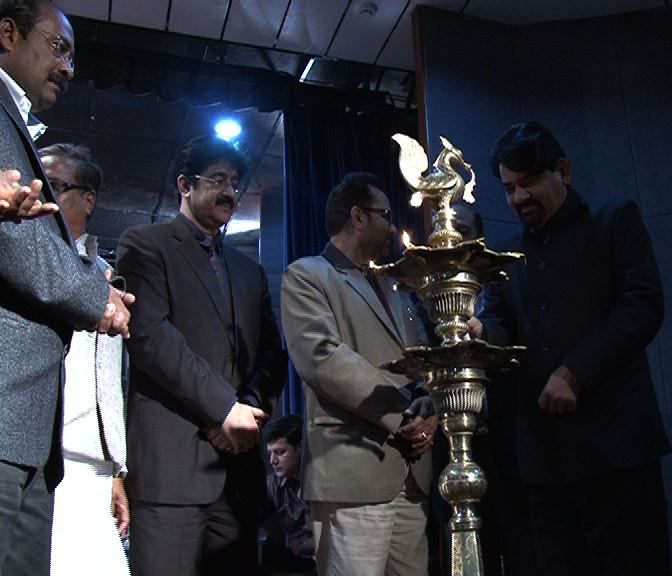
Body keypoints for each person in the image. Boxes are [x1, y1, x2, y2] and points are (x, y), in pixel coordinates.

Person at [470, 121, 671, 575]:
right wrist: (481, 330)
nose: (519, 197)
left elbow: (642, 306)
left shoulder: (614, 220)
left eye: (528, 182)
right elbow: (502, 323)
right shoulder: (506, 253)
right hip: (544, 462)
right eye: (509, 188)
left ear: (563, 170)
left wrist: (574, 372)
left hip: (618, 450)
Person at [0, 2, 133, 574]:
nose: (69, 67)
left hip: (31, 432)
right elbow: (17, 244)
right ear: (8, 34)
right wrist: (95, 297)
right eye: (59, 47)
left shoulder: (14, 119)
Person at [116, 134, 286, 576]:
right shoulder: (145, 244)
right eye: (217, 179)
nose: (229, 191)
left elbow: (273, 352)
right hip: (172, 469)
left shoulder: (249, 271)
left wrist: (247, 411)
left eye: (234, 182)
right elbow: (151, 338)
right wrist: (224, 409)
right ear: (184, 185)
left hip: (238, 472)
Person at [281, 172, 437, 576]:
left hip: (411, 475)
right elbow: (323, 359)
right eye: (386, 216)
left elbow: (421, 356)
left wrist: (429, 403)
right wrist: (405, 411)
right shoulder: (306, 275)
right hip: (352, 474)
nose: (393, 228)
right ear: (358, 216)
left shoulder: (393, 283)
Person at [38, 143, 130, 576]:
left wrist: (116, 470)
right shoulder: (24, 265)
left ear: (88, 199)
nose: (41, 194)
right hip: (39, 452)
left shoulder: (106, 276)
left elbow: (108, 381)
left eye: (55, 186)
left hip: (92, 460)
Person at [261, 415, 315, 576]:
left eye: (280, 452)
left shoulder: (323, 480)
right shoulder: (274, 485)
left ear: (300, 448)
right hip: (298, 564)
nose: (273, 460)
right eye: (270, 453)